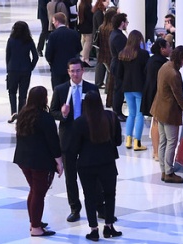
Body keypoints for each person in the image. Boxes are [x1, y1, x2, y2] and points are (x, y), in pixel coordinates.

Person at [50, 58, 99, 222]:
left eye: (78, 70)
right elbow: (53, 112)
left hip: (87, 138)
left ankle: (98, 206)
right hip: (68, 138)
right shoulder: (60, 89)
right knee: (70, 177)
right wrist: (63, 114)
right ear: (68, 72)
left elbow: (98, 111)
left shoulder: (92, 89)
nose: (75, 74)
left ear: (83, 71)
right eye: (72, 71)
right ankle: (74, 208)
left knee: (91, 175)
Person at [70, 90, 123, 241]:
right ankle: (109, 226)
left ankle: (93, 230)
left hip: (86, 164)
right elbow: (118, 141)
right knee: (110, 194)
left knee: (89, 197)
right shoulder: (111, 117)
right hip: (107, 162)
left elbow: (74, 147)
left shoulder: (80, 122)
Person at [13, 86, 63, 237]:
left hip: (23, 160)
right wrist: (59, 162)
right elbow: (53, 142)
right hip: (40, 162)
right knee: (39, 193)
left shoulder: (22, 114)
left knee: (34, 190)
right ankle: (36, 227)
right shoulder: (45, 118)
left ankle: (34, 221)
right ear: (44, 99)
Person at [150, 45, 183, 183]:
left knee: (163, 142)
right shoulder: (174, 74)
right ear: (181, 58)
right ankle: (169, 172)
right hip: (169, 112)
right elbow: (179, 97)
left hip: (159, 110)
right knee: (171, 142)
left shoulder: (165, 67)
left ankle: (164, 170)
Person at [117, 30, 149, 151]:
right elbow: (146, 72)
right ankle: (138, 142)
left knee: (131, 114)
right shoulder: (143, 54)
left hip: (127, 87)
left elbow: (119, 73)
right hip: (139, 87)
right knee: (140, 115)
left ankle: (128, 140)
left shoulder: (122, 54)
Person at [141, 39, 171, 161]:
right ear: (162, 48)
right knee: (158, 123)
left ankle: (156, 151)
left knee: (155, 122)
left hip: (150, 93)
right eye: (168, 46)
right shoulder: (162, 63)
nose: (170, 49)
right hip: (157, 95)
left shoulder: (151, 60)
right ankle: (157, 152)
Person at [6, 21, 38, 124]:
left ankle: (13, 112)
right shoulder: (29, 41)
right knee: (23, 94)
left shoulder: (11, 40)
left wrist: (9, 68)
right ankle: (21, 114)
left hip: (13, 69)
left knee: (12, 92)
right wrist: (31, 67)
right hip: (25, 70)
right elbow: (35, 56)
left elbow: (8, 55)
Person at [46, 12, 82, 89]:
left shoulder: (53, 35)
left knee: (57, 90)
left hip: (57, 68)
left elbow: (48, 53)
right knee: (70, 90)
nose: (53, 23)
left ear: (57, 21)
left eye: (53, 21)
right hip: (71, 67)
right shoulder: (74, 33)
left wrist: (51, 62)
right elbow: (79, 48)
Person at [109, 13, 128, 121]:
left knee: (119, 89)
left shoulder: (115, 34)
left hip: (117, 64)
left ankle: (118, 111)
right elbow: (122, 53)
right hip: (118, 65)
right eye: (126, 22)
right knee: (119, 90)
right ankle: (117, 112)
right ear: (122, 23)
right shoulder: (118, 36)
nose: (127, 24)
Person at [97, 8, 117, 101]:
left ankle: (108, 93)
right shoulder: (112, 29)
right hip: (111, 54)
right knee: (112, 77)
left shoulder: (102, 27)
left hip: (103, 54)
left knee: (109, 74)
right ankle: (110, 97)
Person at [92, 0, 109, 88]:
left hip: (100, 41)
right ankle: (98, 82)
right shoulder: (99, 14)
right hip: (100, 41)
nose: (108, 2)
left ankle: (99, 81)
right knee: (100, 62)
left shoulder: (99, 12)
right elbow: (100, 27)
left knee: (101, 61)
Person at [78, 0, 93, 67]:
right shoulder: (87, 7)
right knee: (88, 42)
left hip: (82, 26)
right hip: (88, 27)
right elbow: (90, 18)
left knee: (84, 41)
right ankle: (84, 58)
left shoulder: (81, 5)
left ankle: (83, 57)